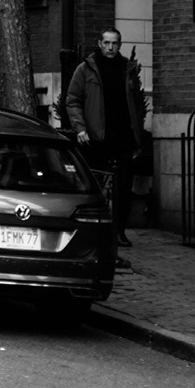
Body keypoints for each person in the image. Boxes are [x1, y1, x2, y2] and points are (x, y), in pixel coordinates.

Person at [60, 28, 148, 251]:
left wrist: (136, 136)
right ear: (99, 43)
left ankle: (119, 231)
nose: (110, 47)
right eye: (106, 43)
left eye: (115, 43)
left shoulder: (127, 68)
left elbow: (136, 103)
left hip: (123, 138)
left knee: (124, 187)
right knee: (96, 186)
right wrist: (80, 128)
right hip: (96, 138)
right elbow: (73, 100)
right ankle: (92, 230)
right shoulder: (86, 69)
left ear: (120, 44)